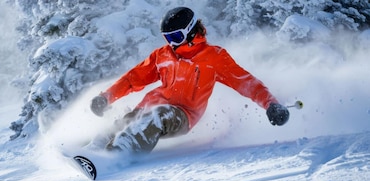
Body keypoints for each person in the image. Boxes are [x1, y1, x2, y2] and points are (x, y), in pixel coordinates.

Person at [88, 7, 290, 154]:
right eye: (168, 38)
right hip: (149, 108)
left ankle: (119, 154)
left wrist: (271, 104)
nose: (172, 44)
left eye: (176, 36)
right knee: (128, 121)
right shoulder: (163, 55)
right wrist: (106, 97)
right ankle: (95, 149)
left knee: (158, 115)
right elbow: (133, 79)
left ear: (192, 31)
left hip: (183, 115)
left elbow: (247, 83)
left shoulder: (214, 57)